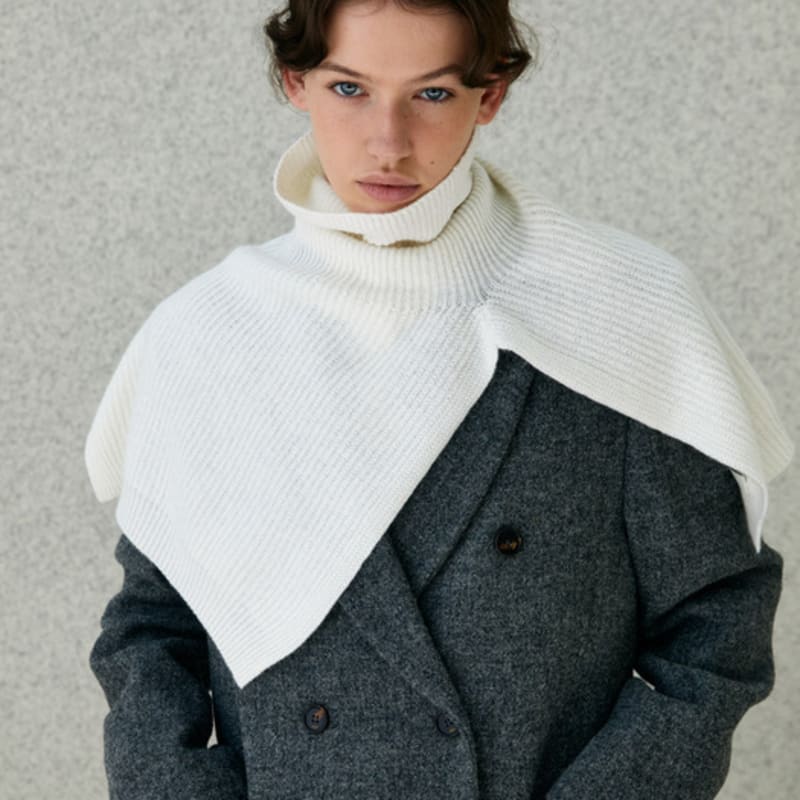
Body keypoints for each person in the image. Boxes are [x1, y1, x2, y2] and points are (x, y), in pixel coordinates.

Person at [85, 1, 793, 798]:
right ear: (295, 82)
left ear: (490, 94)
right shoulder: (212, 336)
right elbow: (152, 631)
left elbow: (715, 625)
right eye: (350, 88)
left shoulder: (617, 313)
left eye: (431, 93)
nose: (388, 142)